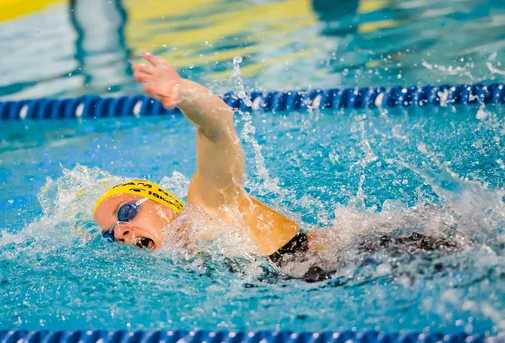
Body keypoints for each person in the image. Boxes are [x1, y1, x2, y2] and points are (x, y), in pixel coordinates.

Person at [92, 53, 457, 282]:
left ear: (163, 202)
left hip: (382, 253)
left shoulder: (207, 206)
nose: (122, 232)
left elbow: (217, 125)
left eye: (125, 212)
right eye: (112, 233)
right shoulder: (186, 261)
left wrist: (181, 90)